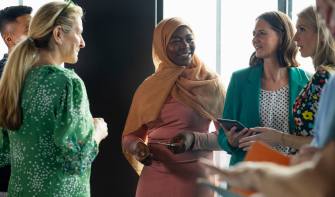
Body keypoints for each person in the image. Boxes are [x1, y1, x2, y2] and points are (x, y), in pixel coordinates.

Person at [0, 1, 108, 196]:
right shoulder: (67, 82)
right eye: (79, 32)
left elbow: (3, 153)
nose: (82, 42)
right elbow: (76, 161)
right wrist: (98, 132)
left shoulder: (15, 80)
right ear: (58, 34)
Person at [121, 17, 226, 197]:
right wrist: (138, 147)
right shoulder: (148, 87)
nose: (185, 45)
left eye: (189, 39)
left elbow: (228, 138)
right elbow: (130, 137)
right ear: (162, 47)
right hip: (153, 180)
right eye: (176, 41)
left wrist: (194, 139)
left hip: (195, 181)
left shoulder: (211, 83)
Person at [217, 11, 312, 166]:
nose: (254, 39)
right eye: (254, 34)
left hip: (292, 176)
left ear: (282, 37)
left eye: (261, 33)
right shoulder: (239, 80)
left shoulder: (308, 82)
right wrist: (230, 141)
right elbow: (222, 135)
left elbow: (318, 140)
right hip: (248, 176)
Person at [238, 5, 335, 155]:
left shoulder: (322, 77)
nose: (295, 37)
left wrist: (279, 138)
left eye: (302, 29)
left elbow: (326, 142)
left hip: (310, 171)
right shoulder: (325, 75)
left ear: (322, 33)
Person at [0, 5, 32, 197]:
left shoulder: (43, 74)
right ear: (9, 39)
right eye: (28, 29)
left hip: (34, 180)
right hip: (6, 182)